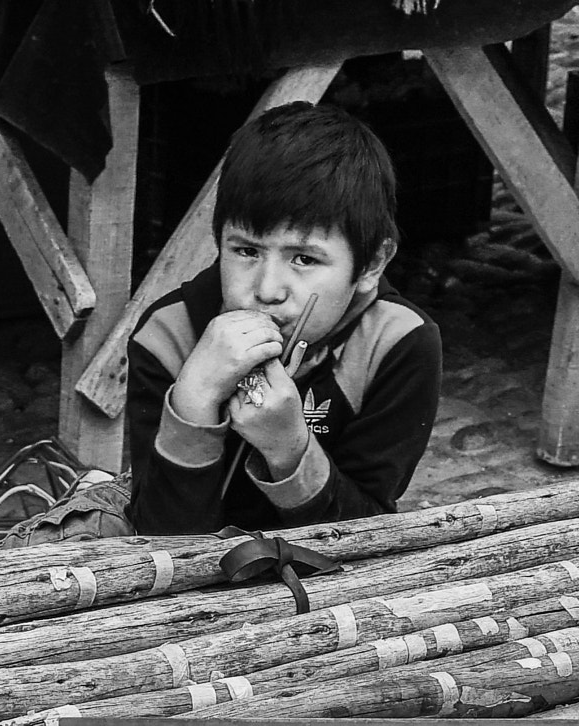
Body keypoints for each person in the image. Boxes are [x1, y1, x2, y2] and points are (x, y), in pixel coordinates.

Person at [127, 102, 441, 534]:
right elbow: (158, 537)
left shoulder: (397, 342)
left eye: (303, 258)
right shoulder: (168, 335)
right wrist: (194, 401)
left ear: (371, 262)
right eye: (247, 251)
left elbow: (366, 532)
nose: (267, 290)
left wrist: (289, 446)